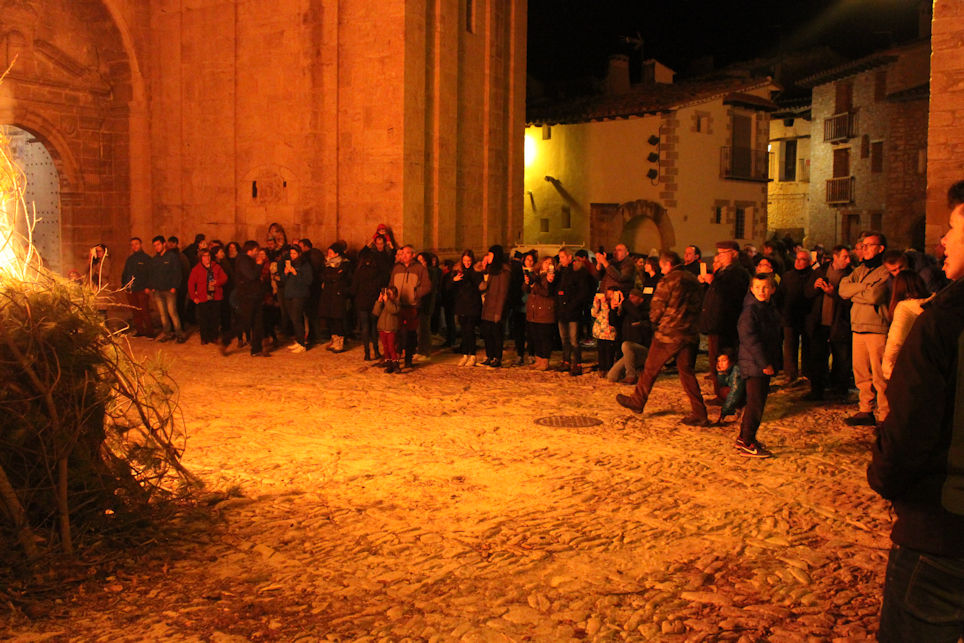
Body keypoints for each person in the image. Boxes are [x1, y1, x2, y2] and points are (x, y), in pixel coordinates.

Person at [867, 181, 964, 641]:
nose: (942, 241)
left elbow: (909, 429)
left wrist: (885, 478)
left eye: (953, 228)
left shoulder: (944, 320)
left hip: (944, 532)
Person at [615, 250, 708, 425]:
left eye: (662, 266)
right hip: (689, 332)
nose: (662, 270)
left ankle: (638, 400)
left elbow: (657, 308)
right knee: (686, 372)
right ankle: (699, 412)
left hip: (669, 333)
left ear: (667, 264)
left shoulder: (668, 281)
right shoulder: (693, 280)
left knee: (650, 368)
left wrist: (654, 321)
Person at [838, 231, 891, 426]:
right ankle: (866, 409)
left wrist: (856, 290)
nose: (864, 248)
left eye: (869, 245)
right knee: (861, 373)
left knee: (880, 375)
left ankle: (885, 414)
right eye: (863, 245)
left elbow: (875, 296)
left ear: (880, 248)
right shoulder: (859, 270)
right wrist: (863, 288)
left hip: (877, 328)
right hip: (858, 326)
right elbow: (843, 289)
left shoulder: (885, 271)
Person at [734, 273, 782, 457]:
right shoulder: (751, 311)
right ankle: (748, 441)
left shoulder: (768, 308)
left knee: (755, 402)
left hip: (760, 362)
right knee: (756, 404)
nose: (761, 291)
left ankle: (743, 437)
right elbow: (750, 340)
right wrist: (765, 363)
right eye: (757, 288)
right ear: (752, 290)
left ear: (772, 289)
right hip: (755, 364)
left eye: (765, 287)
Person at [698, 240, 750, 397]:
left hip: (725, 323)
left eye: (723, 253)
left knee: (723, 360)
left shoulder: (737, 273)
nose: (719, 256)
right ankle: (721, 393)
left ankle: (726, 394)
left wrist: (713, 282)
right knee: (716, 359)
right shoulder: (723, 271)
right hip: (716, 322)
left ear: (733, 254)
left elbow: (731, 296)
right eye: (719, 253)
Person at [803, 245, 853, 400]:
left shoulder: (851, 275)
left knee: (841, 359)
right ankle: (817, 390)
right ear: (835, 257)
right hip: (820, 323)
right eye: (845, 257)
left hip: (839, 323)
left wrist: (834, 294)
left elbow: (851, 301)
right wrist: (815, 287)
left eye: (849, 257)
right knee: (818, 357)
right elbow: (807, 294)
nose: (848, 260)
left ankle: (839, 390)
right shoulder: (820, 271)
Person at [220, 240, 269, 357]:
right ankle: (226, 340)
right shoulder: (243, 261)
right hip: (247, 297)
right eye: (256, 251)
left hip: (255, 296)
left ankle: (256, 349)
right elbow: (251, 276)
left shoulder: (249, 260)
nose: (257, 253)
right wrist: (259, 265)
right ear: (250, 250)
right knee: (244, 322)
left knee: (258, 323)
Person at [880, 270, 930, 381]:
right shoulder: (932, 303)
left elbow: (896, 340)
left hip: (909, 366)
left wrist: (887, 367)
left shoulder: (904, 309)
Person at [390, 245, 431, 370]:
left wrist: (415, 294)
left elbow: (427, 286)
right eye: (402, 253)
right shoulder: (397, 268)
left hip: (412, 306)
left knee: (410, 333)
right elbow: (391, 284)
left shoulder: (420, 269)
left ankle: (409, 358)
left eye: (407, 253)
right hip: (398, 306)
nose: (404, 255)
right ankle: (396, 359)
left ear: (413, 255)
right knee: (397, 333)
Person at [780, 248, 815, 385]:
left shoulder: (813, 276)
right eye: (797, 258)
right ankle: (790, 373)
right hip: (790, 315)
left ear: (809, 262)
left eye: (802, 259)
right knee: (790, 346)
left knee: (808, 346)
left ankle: (807, 372)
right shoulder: (788, 276)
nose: (798, 262)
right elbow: (781, 295)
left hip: (808, 316)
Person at [555, 247, 591, 375]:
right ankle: (566, 361)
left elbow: (583, 291)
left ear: (569, 257)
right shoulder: (560, 271)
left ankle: (577, 363)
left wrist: (573, 304)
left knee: (574, 339)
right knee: (564, 338)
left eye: (562, 257)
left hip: (573, 311)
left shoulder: (578, 271)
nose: (560, 260)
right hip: (561, 310)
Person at [351, 247, 388, 360]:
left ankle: (367, 353)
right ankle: (376, 351)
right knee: (374, 327)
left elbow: (353, 289)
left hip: (362, 302)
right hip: (374, 302)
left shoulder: (359, 272)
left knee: (365, 327)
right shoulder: (378, 273)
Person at [148, 235, 186, 343]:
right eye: (154, 245)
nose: (156, 247)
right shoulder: (155, 259)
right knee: (163, 314)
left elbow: (177, 272)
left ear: (164, 244)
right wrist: (153, 287)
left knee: (172, 313)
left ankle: (179, 334)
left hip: (169, 291)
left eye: (158, 245)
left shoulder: (172, 257)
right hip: (158, 291)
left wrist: (174, 286)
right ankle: (167, 333)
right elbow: (152, 274)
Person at [606, 288, 649, 383]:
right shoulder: (627, 312)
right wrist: (613, 309)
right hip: (629, 354)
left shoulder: (646, 310)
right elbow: (613, 322)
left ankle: (631, 375)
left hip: (643, 351)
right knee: (612, 376)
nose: (630, 300)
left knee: (626, 345)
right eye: (629, 298)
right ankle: (633, 372)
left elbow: (638, 315)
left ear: (640, 299)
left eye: (633, 297)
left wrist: (625, 302)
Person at [478, 245, 511, 368]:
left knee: (496, 333)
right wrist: (484, 271)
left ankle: (497, 357)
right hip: (488, 306)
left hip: (497, 307)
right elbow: (482, 287)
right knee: (487, 333)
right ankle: (489, 355)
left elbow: (503, 293)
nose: (488, 257)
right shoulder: (490, 270)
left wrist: (499, 312)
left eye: (490, 255)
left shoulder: (504, 271)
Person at [449, 250, 483, 367]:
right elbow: (449, 287)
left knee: (470, 330)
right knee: (464, 331)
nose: (467, 263)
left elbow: (479, 286)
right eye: (465, 261)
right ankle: (465, 354)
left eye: (469, 260)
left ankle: (472, 354)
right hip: (461, 305)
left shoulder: (476, 272)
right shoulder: (459, 272)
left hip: (473, 305)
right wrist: (454, 280)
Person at [187, 249, 228, 345]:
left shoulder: (216, 267)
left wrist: (217, 282)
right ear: (201, 258)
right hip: (203, 297)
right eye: (205, 256)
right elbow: (191, 284)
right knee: (203, 319)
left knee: (215, 318)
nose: (207, 258)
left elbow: (224, 278)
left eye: (208, 256)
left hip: (216, 297)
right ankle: (204, 337)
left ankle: (214, 337)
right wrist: (193, 297)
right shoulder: (196, 269)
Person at [524, 256, 556, 371]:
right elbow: (527, 290)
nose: (547, 265)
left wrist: (534, 285)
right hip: (534, 311)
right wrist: (527, 283)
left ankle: (545, 361)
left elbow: (546, 292)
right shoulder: (536, 275)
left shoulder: (551, 277)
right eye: (546, 262)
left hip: (545, 311)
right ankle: (538, 360)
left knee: (544, 337)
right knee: (535, 336)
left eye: (550, 263)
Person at [281, 245, 314, 353]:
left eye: (294, 253)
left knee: (297, 318)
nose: (292, 256)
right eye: (291, 253)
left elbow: (308, 280)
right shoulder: (290, 263)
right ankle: (299, 340)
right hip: (289, 294)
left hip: (299, 294)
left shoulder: (305, 265)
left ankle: (302, 343)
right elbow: (283, 280)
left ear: (299, 253)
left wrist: (296, 273)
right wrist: (285, 273)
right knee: (293, 318)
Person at [122, 237, 154, 337]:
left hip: (142, 289)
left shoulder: (146, 259)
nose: (134, 246)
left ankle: (150, 331)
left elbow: (151, 274)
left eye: (136, 244)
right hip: (131, 290)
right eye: (132, 245)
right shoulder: (130, 259)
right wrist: (124, 286)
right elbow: (125, 273)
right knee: (135, 312)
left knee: (144, 311)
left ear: (141, 244)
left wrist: (149, 287)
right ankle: (139, 330)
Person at [591, 286, 622, 376]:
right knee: (601, 350)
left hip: (610, 331)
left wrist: (616, 303)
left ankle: (609, 369)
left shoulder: (616, 303)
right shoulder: (602, 302)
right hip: (600, 330)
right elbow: (594, 313)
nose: (609, 296)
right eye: (607, 294)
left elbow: (618, 314)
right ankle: (602, 368)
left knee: (609, 351)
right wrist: (596, 302)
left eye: (611, 294)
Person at [372, 285, 401, 373]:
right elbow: (375, 312)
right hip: (382, 328)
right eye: (387, 294)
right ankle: (388, 363)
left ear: (395, 295)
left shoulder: (397, 303)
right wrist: (379, 301)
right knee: (385, 347)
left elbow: (393, 310)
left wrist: (387, 301)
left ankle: (395, 364)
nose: (388, 296)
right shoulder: (385, 303)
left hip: (391, 328)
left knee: (391, 347)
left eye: (389, 294)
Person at [713, 351, 745, 425]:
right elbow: (723, 384)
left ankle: (741, 408)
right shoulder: (728, 370)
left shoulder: (737, 370)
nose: (720, 364)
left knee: (726, 392)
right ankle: (736, 408)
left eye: (724, 360)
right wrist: (721, 373)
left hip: (745, 395)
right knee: (722, 391)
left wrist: (724, 412)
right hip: (738, 394)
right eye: (719, 361)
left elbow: (735, 392)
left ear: (731, 361)